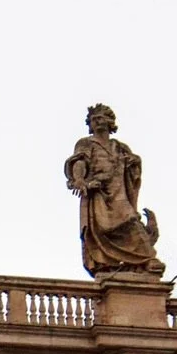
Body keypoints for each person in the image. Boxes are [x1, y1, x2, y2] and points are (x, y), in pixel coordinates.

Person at [63, 104, 162, 275]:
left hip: (119, 192)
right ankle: (107, 263)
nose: (97, 122)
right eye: (93, 120)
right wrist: (80, 179)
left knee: (130, 219)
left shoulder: (120, 146)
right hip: (99, 192)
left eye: (100, 118)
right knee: (102, 229)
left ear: (110, 121)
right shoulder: (87, 143)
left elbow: (133, 169)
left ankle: (146, 258)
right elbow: (79, 161)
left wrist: (133, 163)